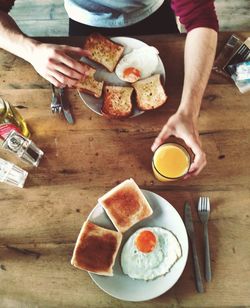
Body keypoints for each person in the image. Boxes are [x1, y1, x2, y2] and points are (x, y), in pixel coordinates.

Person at [0, 0, 219, 179]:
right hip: (84, 21)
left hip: (154, 15)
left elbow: (201, 16)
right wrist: (31, 50)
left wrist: (189, 111)